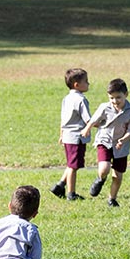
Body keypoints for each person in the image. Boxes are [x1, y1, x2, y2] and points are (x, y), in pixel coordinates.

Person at [82, 78, 130, 207]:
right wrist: (87, 129)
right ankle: (100, 179)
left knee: (118, 176)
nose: (115, 101)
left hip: (121, 146)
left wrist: (123, 139)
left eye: (118, 97)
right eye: (111, 98)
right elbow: (93, 120)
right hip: (105, 140)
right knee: (104, 168)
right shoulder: (105, 107)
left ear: (126, 95)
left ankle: (112, 199)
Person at [50, 68, 92, 200]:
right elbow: (88, 119)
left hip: (68, 136)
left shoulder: (66, 99)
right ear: (76, 84)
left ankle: (60, 185)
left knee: (71, 163)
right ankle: (71, 193)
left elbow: (63, 119)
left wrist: (61, 134)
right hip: (77, 137)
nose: (89, 83)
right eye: (86, 81)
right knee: (73, 166)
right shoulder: (81, 100)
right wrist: (101, 122)